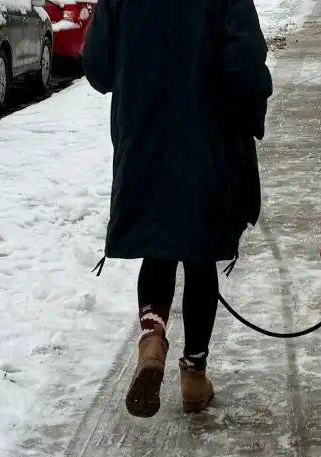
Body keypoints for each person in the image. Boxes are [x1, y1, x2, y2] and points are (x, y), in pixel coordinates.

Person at [83, 0, 272, 417]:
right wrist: (250, 114)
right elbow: (245, 64)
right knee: (199, 253)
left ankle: (152, 339)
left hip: (143, 136)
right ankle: (194, 374)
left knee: (158, 242)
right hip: (207, 137)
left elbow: (97, 67)